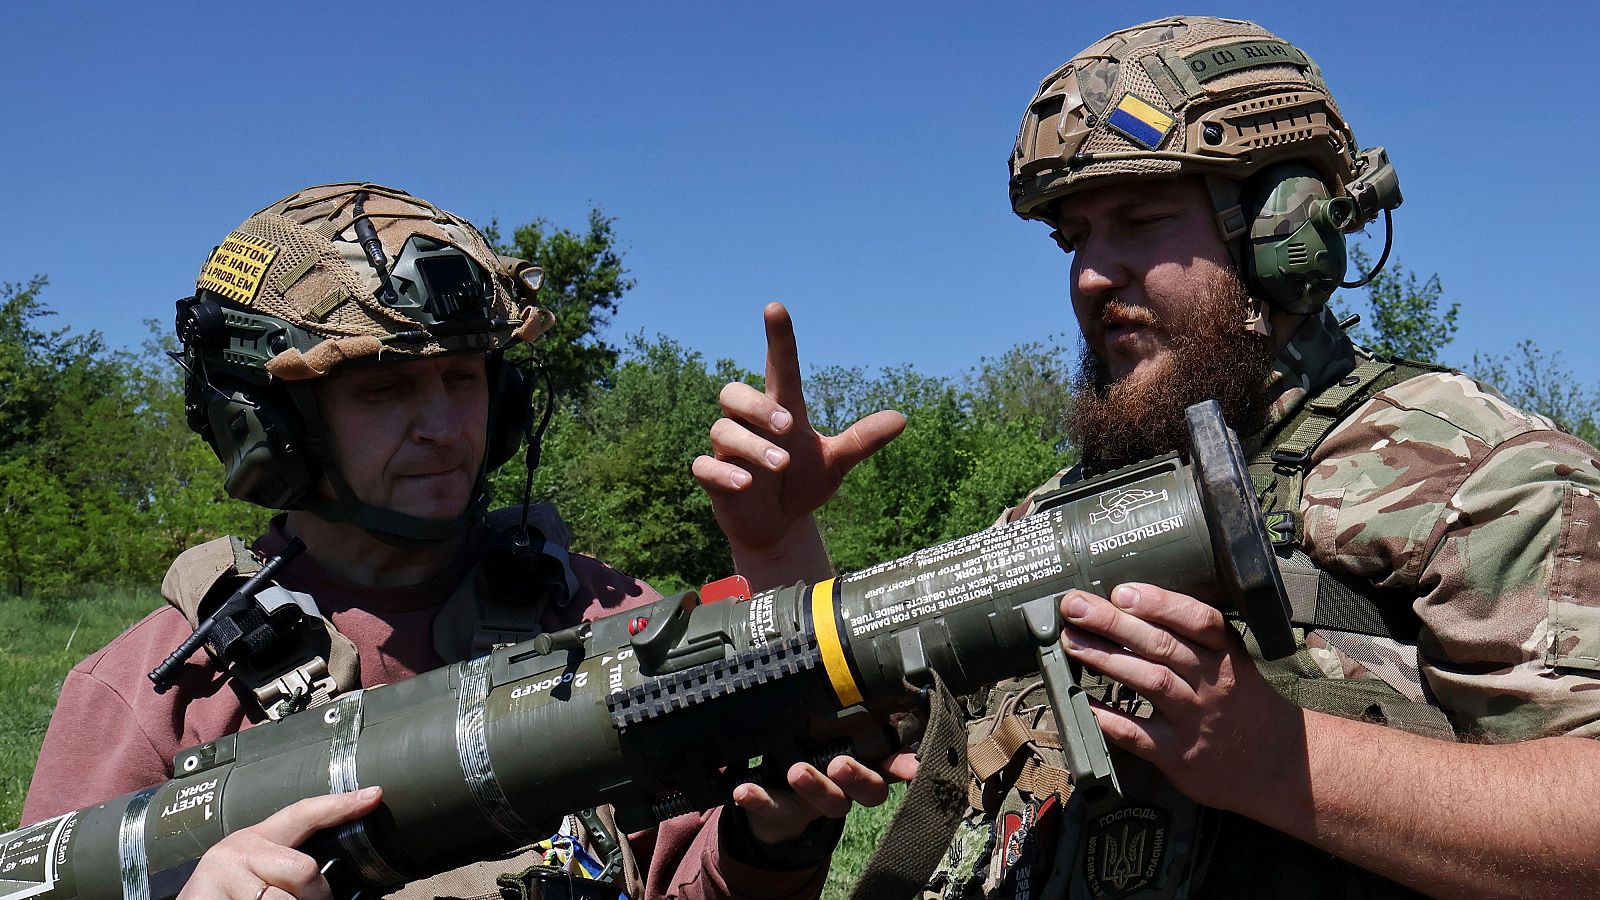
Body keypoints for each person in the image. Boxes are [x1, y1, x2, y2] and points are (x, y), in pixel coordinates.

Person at [694, 17, 1600, 899]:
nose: (1091, 274)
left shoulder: (1475, 473)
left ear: (1286, 228)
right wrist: (779, 549)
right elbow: (884, 729)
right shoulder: (1055, 517)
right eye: (1074, 238)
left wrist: (1279, 758)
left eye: (1137, 219)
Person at [21, 183, 895, 900]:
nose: (442, 426)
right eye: (385, 389)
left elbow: (696, 882)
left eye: (462, 378)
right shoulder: (155, 692)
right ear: (269, 425)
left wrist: (767, 838)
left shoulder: (604, 618)